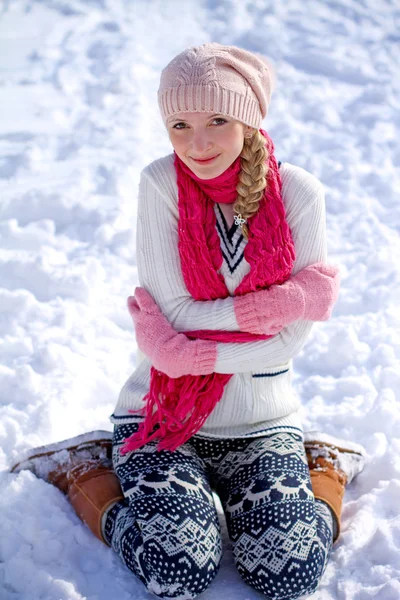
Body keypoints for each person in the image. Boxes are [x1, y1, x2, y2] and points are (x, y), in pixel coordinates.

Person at [11, 43, 366, 599]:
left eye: (217, 120)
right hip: (162, 420)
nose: (197, 144)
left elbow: (285, 344)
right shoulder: (161, 184)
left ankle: (324, 470)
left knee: (287, 573)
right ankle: (84, 469)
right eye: (180, 124)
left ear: (248, 118)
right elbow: (173, 310)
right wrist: (269, 308)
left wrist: (188, 350)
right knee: (178, 568)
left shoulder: (299, 192)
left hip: (261, 422)